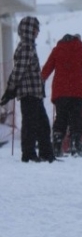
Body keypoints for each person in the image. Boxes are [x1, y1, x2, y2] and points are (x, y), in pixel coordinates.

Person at [0, 16, 56, 163]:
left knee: (42, 125)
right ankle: (29, 154)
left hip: (34, 93)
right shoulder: (26, 46)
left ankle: (46, 153)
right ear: (30, 30)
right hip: (29, 93)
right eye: (36, 29)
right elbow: (19, 70)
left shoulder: (29, 46)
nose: (38, 32)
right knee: (31, 124)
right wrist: (10, 89)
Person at [41, 34, 82, 157]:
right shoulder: (79, 48)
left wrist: (41, 79)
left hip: (60, 92)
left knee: (61, 118)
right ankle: (75, 145)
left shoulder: (57, 50)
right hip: (76, 91)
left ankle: (57, 145)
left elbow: (47, 69)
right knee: (76, 118)